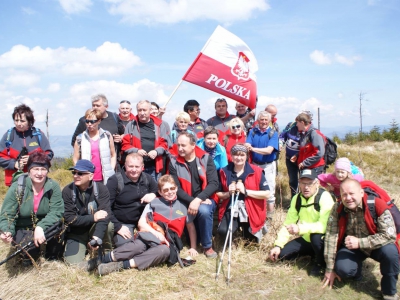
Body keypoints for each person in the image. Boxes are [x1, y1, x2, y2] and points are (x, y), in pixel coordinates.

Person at [82, 175, 199, 275]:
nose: (169, 192)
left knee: (164, 251)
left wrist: (193, 247)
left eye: (172, 188)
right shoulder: (154, 203)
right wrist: (157, 234)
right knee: (138, 246)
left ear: (176, 188)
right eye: (165, 190)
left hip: (168, 243)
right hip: (149, 236)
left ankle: (119, 265)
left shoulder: (184, 206)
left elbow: (191, 228)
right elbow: (141, 223)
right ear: (160, 192)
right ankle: (99, 260)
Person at [322, 179, 399, 300]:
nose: (348, 198)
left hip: (376, 246)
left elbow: (389, 235)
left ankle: (389, 292)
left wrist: (360, 242)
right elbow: (331, 236)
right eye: (344, 194)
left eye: (351, 193)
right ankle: (356, 270)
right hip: (351, 247)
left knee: (391, 253)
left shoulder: (377, 204)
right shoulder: (338, 207)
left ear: (361, 193)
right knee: (343, 269)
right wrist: (330, 268)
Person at [0, 151, 64, 263]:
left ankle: (52, 255)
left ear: (47, 171)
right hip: (23, 227)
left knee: (59, 229)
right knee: (29, 256)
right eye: (36, 169)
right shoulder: (18, 187)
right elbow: (7, 213)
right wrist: (7, 230)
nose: (39, 173)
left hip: (45, 225)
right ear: (29, 170)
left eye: (43, 169)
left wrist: (40, 227)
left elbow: (57, 212)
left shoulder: (53, 186)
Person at [269, 169, 334, 276]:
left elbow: (324, 226)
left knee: (316, 236)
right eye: (302, 183)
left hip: (322, 239)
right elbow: (288, 223)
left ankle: (320, 263)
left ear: (317, 183)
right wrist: (278, 245)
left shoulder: (325, 197)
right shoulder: (296, 198)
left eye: (309, 183)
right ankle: (313, 253)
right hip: (306, 238)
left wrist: (300, 228)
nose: (306, 187)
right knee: (282, 255)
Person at [169, 132, 219, 258]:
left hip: (206, 198)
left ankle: (207, 246)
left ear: (193, 145)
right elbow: (176, 188)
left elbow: (214, 183)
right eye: (178, 145)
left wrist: (198, 200)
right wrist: (192, 201)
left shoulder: (205, 158)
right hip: (185, 199)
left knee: (204, 211)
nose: (179, 148)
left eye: (183, 145)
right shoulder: (173, 162)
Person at [63, 159, 113, 265]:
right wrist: (93, 217)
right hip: (77, 233)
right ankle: (86, 250)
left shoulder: (101, 189)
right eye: (74, 172)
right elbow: (70, 219)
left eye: (80, 173)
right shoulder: (67, 191)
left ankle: (105, 251)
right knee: (72, 264)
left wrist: (97, 235)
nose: (76, 176)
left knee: (108, 225)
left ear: (90, 176)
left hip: (94, 230)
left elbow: (105, 215)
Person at [217, 144, 269, 242]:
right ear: (231, 156)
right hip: (231, 206)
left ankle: (246, 231)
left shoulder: (256, 171)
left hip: (251, 208)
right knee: (223, 231)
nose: (239, 158)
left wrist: (246, 191)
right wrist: (228, 193)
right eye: (236, 155)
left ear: (246, 157)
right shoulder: (224, 171)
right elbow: (218, 193)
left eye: (242, 155)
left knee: (250, 240)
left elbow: (266, 194)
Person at [106, 153, 158, 248]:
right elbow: (106, 207)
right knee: (126, 246)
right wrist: (118, 227)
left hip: (144, 221)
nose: (134, 170)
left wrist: (153, 194)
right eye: (130, 166)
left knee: (156, 242)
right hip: (124, 222)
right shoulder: (115, 181)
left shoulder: (147, 178)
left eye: (137, 167)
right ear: (125, 165)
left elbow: (159, 191)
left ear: (142, 167)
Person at [0, 104, 54, 186]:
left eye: (22, 121)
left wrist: (32, 159)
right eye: (16, 120)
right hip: (14, 181)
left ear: (29, 121)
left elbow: (48, 154)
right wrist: (14, 164)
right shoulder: (9, 135)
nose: (18, 123)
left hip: (37, 180)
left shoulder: (38, 135)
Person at [121, 100, 170, 181]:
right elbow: (125, 145)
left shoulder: (159, 125)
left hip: (154, 167)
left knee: (154, 192)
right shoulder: (131, 125)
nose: (142, 113)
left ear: (150, 110)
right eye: (140, 110)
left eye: (144, 110)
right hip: (135, 169)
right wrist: (136, 151)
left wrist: (156, 152)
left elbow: (165, 144)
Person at [245, 111, 279, 221]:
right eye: (262, 119)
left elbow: (269, 150)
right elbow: (247, 143)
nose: (264, 122)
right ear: (258, 120)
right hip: (255, 165)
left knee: (269, 192)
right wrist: (248, 146)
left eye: (266, 120)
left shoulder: (273, 133)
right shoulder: (253, 131)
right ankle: (256, 216)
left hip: (268, 166)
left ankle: (270, 219)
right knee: (254, 190)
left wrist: (253, 149)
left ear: (269, 121)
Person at [73, 109, 116, 185]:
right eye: (87, 121)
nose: (89, 124)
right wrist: (79, 172)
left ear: (99, 121)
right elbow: (75, 158)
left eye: (92, 121)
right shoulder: (80, 138)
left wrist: (111, 169)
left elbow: (113, 155)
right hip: (87, 178)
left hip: (104, 178)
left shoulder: (107, 135)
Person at [279, 111, 313, 198]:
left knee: (304, 180)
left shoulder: (309, 131)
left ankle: (303, 199)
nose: (296, 123)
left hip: (302, 161)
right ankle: (294, 200)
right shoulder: (291, 126)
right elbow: (283, 135)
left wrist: (297, 155)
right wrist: (280, 143)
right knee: (293, 181)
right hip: (289, 159)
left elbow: (309, 147)